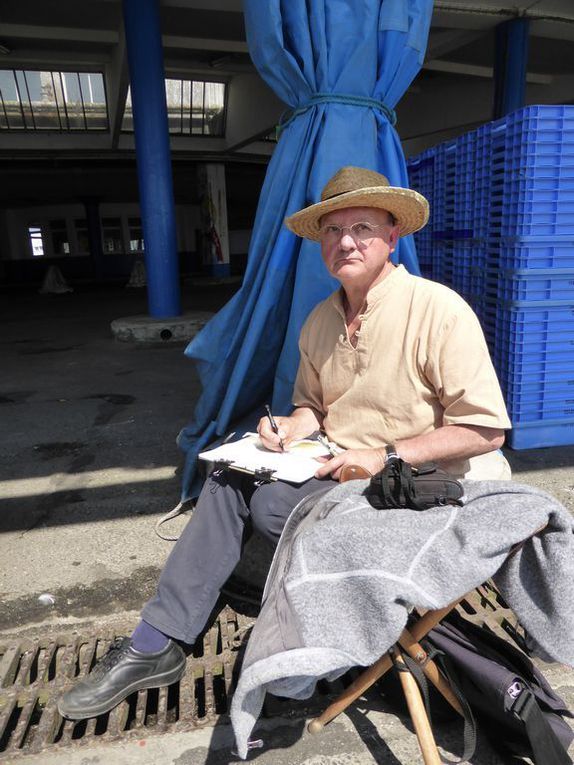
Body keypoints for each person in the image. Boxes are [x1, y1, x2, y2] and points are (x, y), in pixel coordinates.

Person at [58, 165, 511, 720]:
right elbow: (313, 407)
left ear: (393, 236)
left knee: (274, 509)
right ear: (320, 242)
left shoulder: (438, 310)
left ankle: (304, 643)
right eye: (332, 230)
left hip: (413, 482)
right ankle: (157, 642)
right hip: (336, 468)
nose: (346, 241)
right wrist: (291, 428)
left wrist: (385, 454)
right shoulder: (321, 319)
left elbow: (486, 429)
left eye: (363, 228)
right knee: (228, 477)